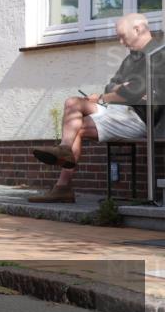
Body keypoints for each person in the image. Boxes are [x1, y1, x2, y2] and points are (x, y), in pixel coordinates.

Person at [29, 13, 164, 203]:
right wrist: (119, 90)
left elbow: (134, 92)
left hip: (139, 118)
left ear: (138, 29)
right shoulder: (130, 60)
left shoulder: (159, 54)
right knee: (72, 103)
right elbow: (112, 87)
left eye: (122, 36)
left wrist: (108, 95)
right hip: (118, 111)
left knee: (77, 123)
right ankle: (64, 153)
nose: (120, 41)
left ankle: (63, 186)